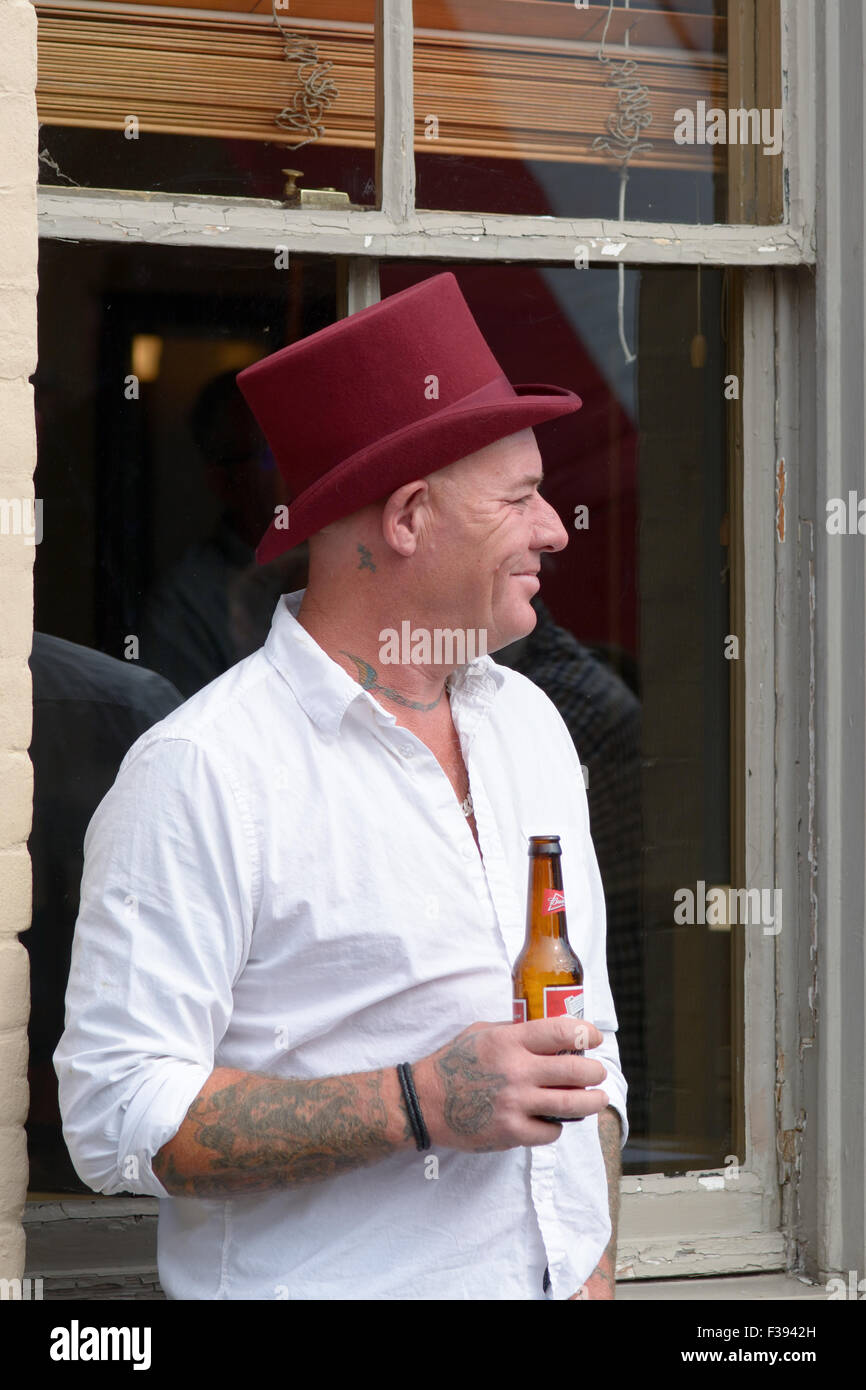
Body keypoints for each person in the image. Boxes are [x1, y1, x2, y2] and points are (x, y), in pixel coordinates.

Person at [55, 272, 629, 1301]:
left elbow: (591, 1050)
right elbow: (117, 1114)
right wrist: (416, 1102)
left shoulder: (530, 728)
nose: (553, 527)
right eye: (518, 498)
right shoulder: (204, 770)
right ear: (408, 516)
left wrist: (592, 1262)